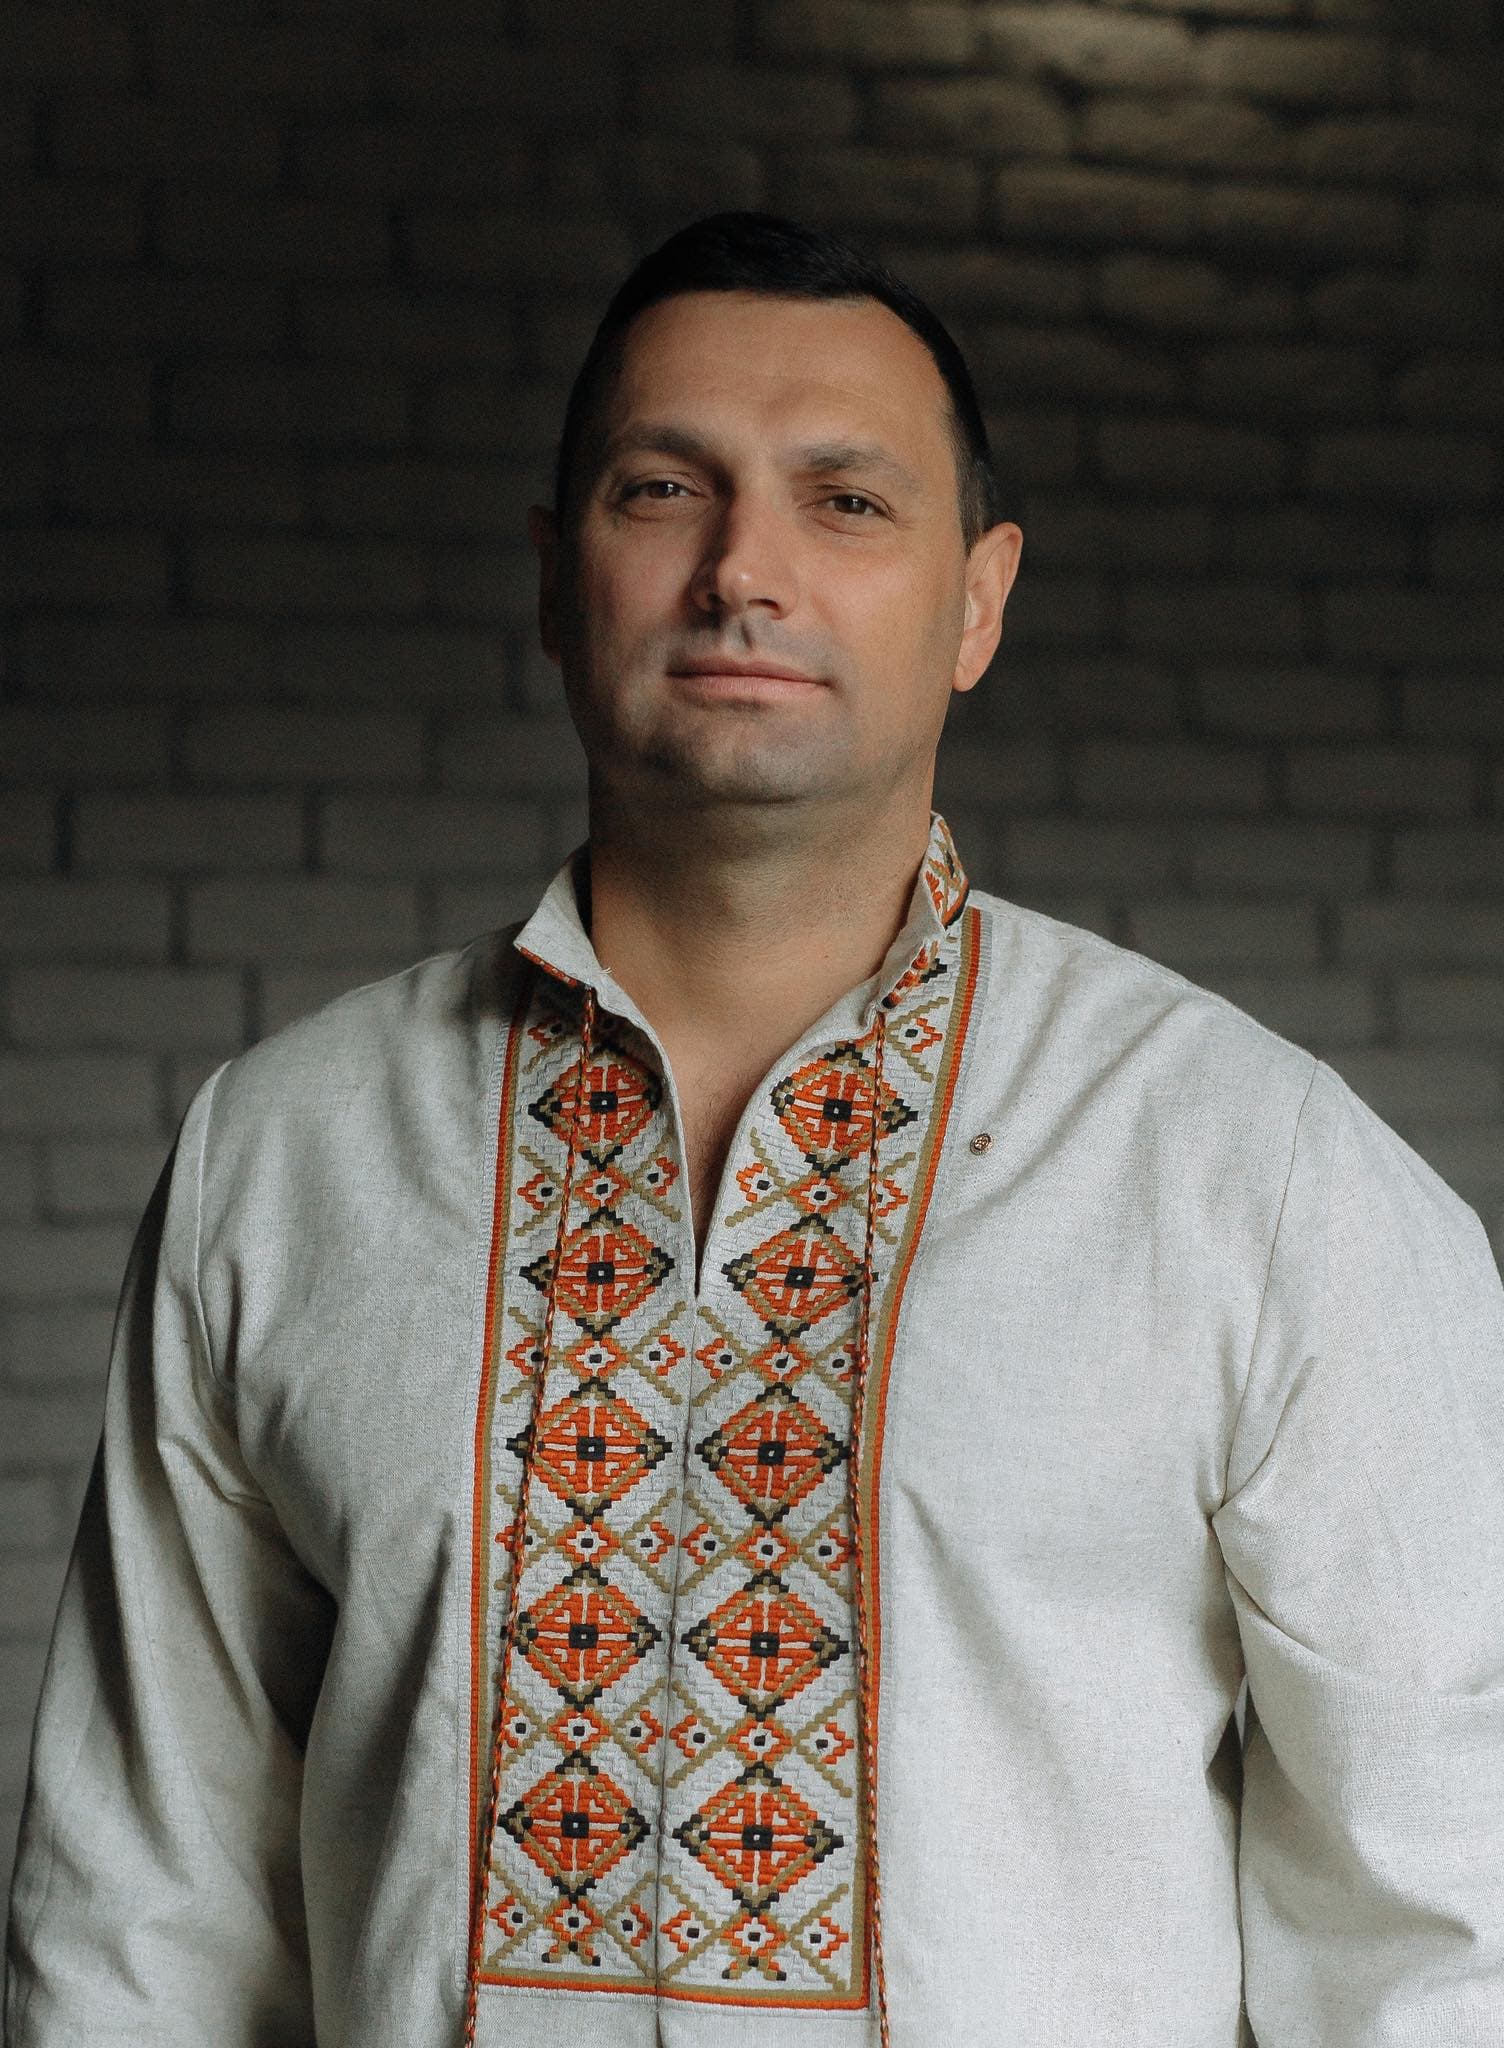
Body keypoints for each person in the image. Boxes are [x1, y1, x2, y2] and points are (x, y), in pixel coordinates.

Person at [5, 210, 1503, 2048]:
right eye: (662, 490)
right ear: (559, 583)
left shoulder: (1258, 1180)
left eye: (847, 502)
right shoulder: (285, 1158)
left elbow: (1440, 1936)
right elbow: (134, 1922)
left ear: (980, 600)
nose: (743, 572)